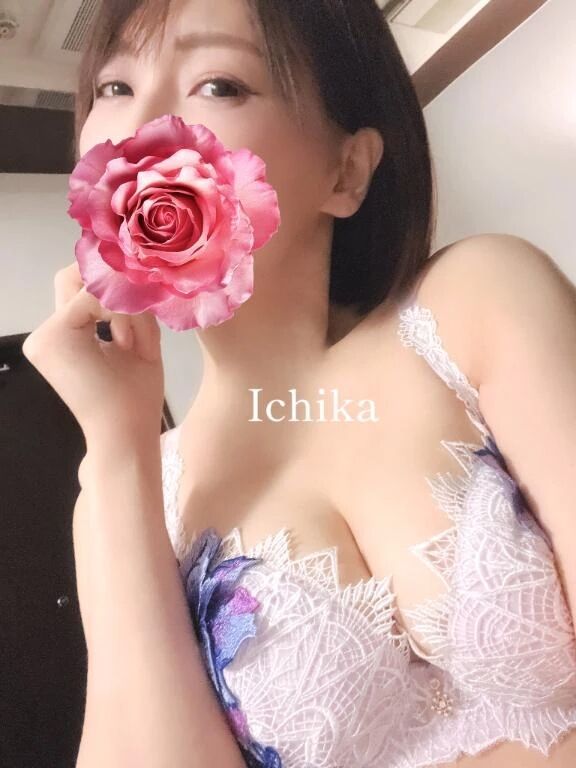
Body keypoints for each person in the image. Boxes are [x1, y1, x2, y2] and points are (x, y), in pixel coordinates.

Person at [22, 0, 576, 766]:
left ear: (345, 172)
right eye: (114, 88)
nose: (139, 130)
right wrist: (119, 452)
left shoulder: (476, 304)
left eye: (218, 84)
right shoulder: (128, 496)